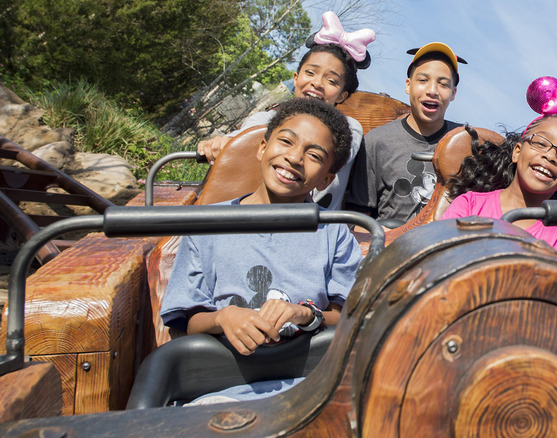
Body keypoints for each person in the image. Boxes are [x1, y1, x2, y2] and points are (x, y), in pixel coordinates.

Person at [160, 98, 363, 403]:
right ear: (262, 148)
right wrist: (222, 317)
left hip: (307, 386)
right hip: (219, 387)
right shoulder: (207, 224)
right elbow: (189, 320)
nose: (294, 158)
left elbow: (347, 315)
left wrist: (306, 314)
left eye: (313, 155)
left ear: (326, 179)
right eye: (286, 142)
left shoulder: (335, 234)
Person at [441, 76, 557, 275]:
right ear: (517, 151)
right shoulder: (470, 204)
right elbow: (436, 255)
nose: (550, 156)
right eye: (541, 143)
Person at [197, 11, 375, 210]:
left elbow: (341, 151)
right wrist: (225, 144)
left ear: (342, 95)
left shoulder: (349, 129)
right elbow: (244, 139)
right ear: (295, 78)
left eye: (332, 81)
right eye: (310, 72)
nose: (317, 83)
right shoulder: (264, 118)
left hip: (313, 226)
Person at [346, 42, 467, 224]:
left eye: (443, 84)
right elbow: (360, 216)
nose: (432, 91)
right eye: (423, 80)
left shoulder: (467, 144)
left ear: (453, 93)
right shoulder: (376, 142)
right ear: (408, 85)